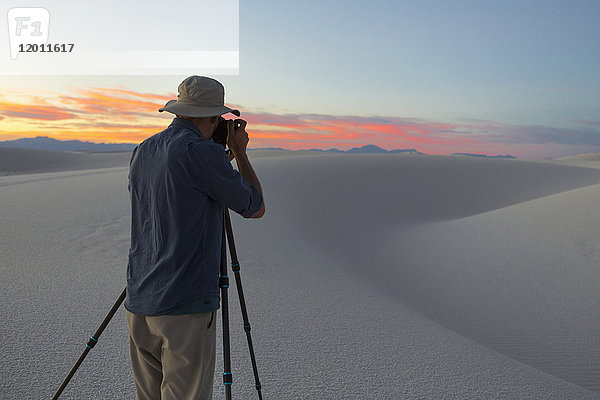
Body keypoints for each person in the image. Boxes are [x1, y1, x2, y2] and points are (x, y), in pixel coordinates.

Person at [124, 76, 265, 400]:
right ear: (214, 116)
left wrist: (218, 161)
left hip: (140, 301)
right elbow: (255, 206)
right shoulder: (202, 154)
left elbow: (173, 192)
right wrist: (239, 153)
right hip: (184, 304)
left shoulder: (143, 150)